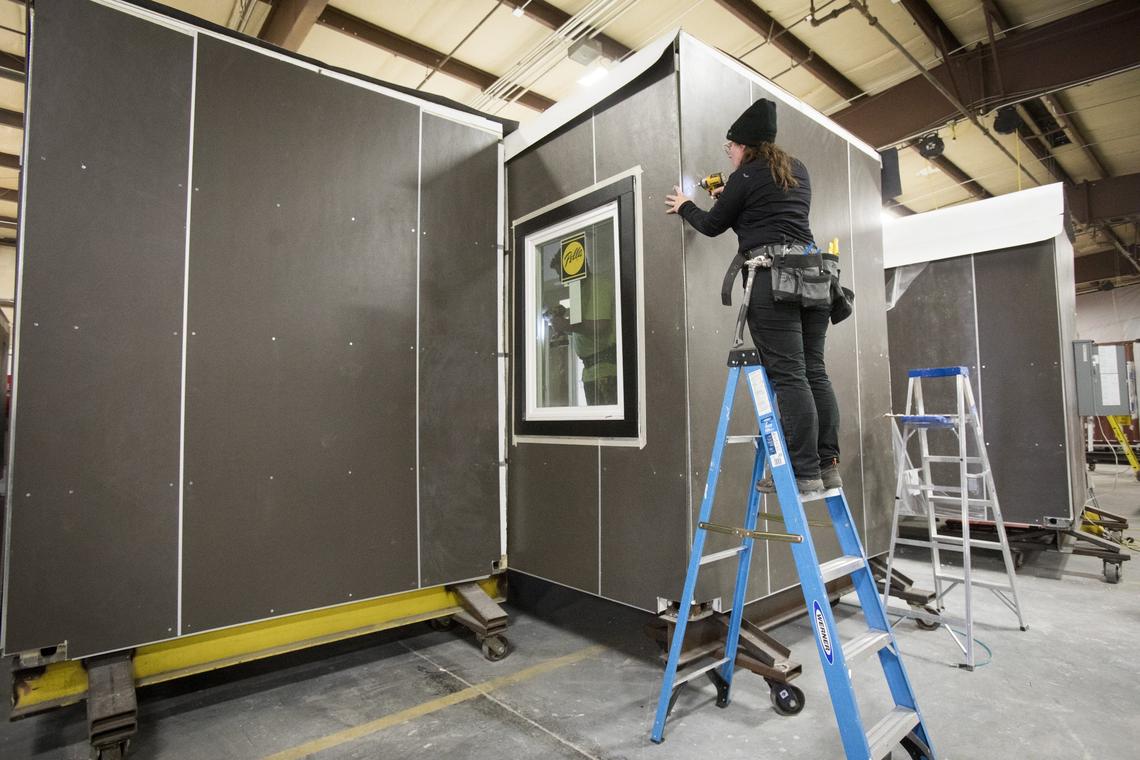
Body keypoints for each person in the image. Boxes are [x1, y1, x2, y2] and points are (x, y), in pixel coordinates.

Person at [664, 98, 840, 494]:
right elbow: (771, 216)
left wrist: (686, 206)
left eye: (730, 146)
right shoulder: (796, 169)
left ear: (744, 145)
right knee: (814, 371)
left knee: (790, 376)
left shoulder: (745, 176)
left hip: (775, 279)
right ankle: (826, 466)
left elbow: (712, 225)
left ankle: (802, 474)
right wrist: (734, 199)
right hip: (815, 277)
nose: (728, 152)